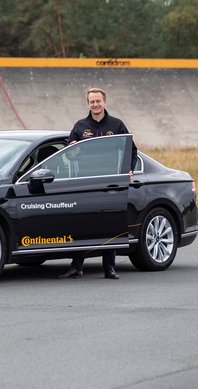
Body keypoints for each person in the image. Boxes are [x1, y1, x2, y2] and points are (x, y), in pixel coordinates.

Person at [58, 87, 138, 280]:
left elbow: (132, 151)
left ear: (105, 102)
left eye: (98, 101)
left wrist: (129, 170)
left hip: (110, 182)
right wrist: (72, 151)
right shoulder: (79, 126)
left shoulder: (117, 125)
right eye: (92, 101)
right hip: (84, 182)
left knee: (109, 224)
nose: (95, 104)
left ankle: (109, 268)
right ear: (88, 104)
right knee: (80, 224)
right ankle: (76, 267)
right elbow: (68, 156)